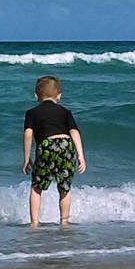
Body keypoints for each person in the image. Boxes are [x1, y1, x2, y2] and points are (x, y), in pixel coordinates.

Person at [22, 76, 86, 228]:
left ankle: (35, 223)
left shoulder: (32, 113)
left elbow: (28, 134)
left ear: (36, 96)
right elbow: (74, 132)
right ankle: (64, 221)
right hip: (66, 145)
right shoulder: (65, 112)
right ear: (59, 95)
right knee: (65, 187)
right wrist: (81, 156)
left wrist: (27, 158)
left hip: (46, 145)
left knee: (37, 188)